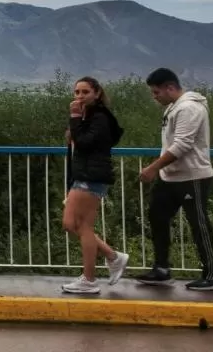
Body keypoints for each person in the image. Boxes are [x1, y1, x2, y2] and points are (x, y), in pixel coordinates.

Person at [136, 68, 213, 291]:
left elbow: (182, 145)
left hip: (192, 176)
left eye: (156, 92)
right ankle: (161, 268)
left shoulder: (189, 108)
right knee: (157, 216)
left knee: (198, 223)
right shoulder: (173, 108)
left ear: (170, 87)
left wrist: (152, 168)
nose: (154, 96)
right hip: (171, 177)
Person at [60, 77, 129, 294]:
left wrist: (73, 119)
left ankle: (89, 279)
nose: (79, 96)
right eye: (77, 92)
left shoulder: (99, 117)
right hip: (84, 175)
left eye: (85, 92)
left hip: (91, 177)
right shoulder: (88, 116)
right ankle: (113, 257)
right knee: (71, 224)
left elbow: (86, 143)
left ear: (97, 93)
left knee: (82, 226)